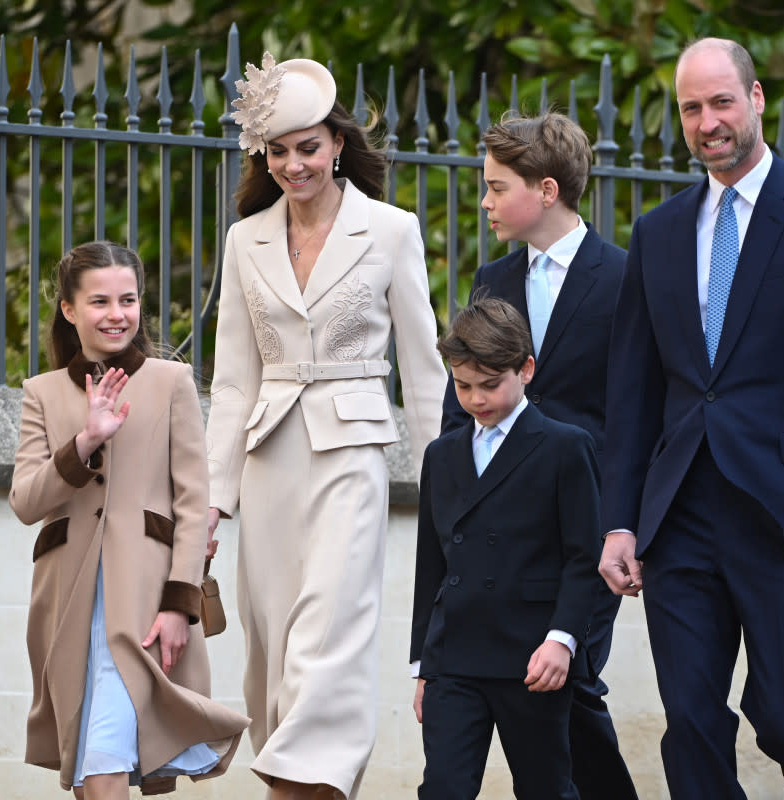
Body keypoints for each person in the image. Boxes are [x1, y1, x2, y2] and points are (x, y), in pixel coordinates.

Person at [599, 37, 784, 799]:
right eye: (691, 108)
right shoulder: (659, 232)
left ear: (757, 98)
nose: (708, 122)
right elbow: (633, 391)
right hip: (680, 514)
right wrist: (620, 521)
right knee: (690, 723)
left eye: (722, 102)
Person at [205, 54, 446, 800]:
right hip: (268, 462)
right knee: (273, 646)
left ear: (338, 143)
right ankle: (304, 778)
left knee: (330, 633)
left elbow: (425, 369)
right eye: (277, 152)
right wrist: (211, 502)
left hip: (352, 453)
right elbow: (233, 380)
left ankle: (299, 785)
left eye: (307, 147)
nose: (293, 165)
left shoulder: (392, 231)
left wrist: (450, 481)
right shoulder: (245, 240)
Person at [438, 111, 637, 799]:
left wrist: (628, 522)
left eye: (497, 188)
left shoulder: (624, 277)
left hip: (588, 524)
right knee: (547, 686)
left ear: (547, 190)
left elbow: (641, 409)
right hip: (505, 532)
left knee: (570, 675)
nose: (485, 202)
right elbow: (463, 396)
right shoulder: (493, 277)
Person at [10, 241, 249, 798]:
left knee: (104, 767)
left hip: (144, 606)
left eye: (128, 300)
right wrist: (85, 440)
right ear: (69, 309)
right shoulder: (42, 394)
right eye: (99, 301)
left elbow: (193, 503)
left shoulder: (171, 382)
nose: (117, 314)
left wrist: (179, 604)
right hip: (67, 606)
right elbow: (25, 501)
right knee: (90, 775)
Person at [412, 297, 603, 800]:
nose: (476, 398)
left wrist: (562, 639)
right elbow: (431, 565)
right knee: (442, 790)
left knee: (544, 789)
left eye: (491, 384)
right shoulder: (442, 454)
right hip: (454, 657)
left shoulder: (566, 445)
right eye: (463, 386)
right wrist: (423, 667)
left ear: (526, 369)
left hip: (533, 657)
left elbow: (583, 557)